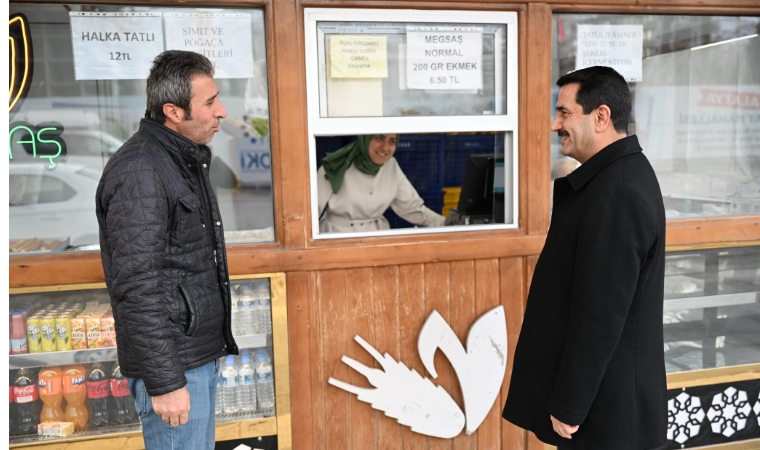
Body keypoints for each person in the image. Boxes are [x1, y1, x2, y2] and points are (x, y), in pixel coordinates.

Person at [502, 66, 667, 450]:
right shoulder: (615, 178)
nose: (554, 124)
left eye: (564, 113)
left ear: (601, 116)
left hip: (608, 413)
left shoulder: (617, 191)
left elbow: (601, 315)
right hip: (606, 405)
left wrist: (570, 404)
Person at [96, 50, 237, 450]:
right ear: (173, 112)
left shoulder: (181, 159)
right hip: (176, 369)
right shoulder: (140, 170)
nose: (221, 111)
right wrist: (166, 382)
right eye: (209, 102)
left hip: (196, 358)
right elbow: (136, 287)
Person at [317, 134, 445, 232]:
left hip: (377, 237)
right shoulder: (336, 164)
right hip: (336, 237)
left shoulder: (391, 166)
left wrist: (446, 224)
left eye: (392, 142)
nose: (385, 147)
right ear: (365, 138)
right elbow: (311, 211)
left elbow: (412, 208)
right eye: (379, 138)